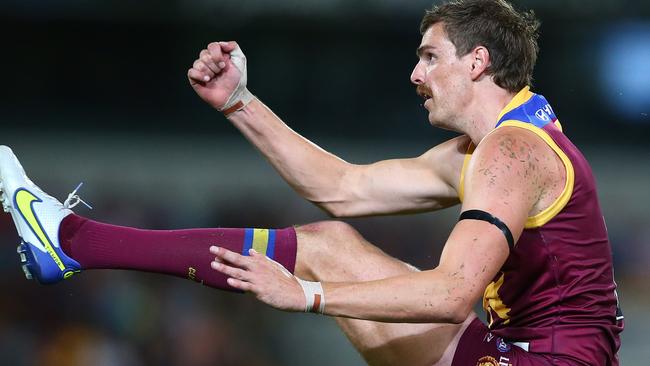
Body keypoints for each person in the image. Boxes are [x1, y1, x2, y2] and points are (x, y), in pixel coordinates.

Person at [0, 0, 622, 365]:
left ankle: (75, 241)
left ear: (479, 61)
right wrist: (239, 102)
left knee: (323, 262)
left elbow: (451, 294)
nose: (415, 73)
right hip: (512, 345)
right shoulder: (489, 148)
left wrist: (308, 298)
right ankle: (73, 242)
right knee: (329, 242)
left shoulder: (510, 152)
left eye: (430, 56)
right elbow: (342, 187)